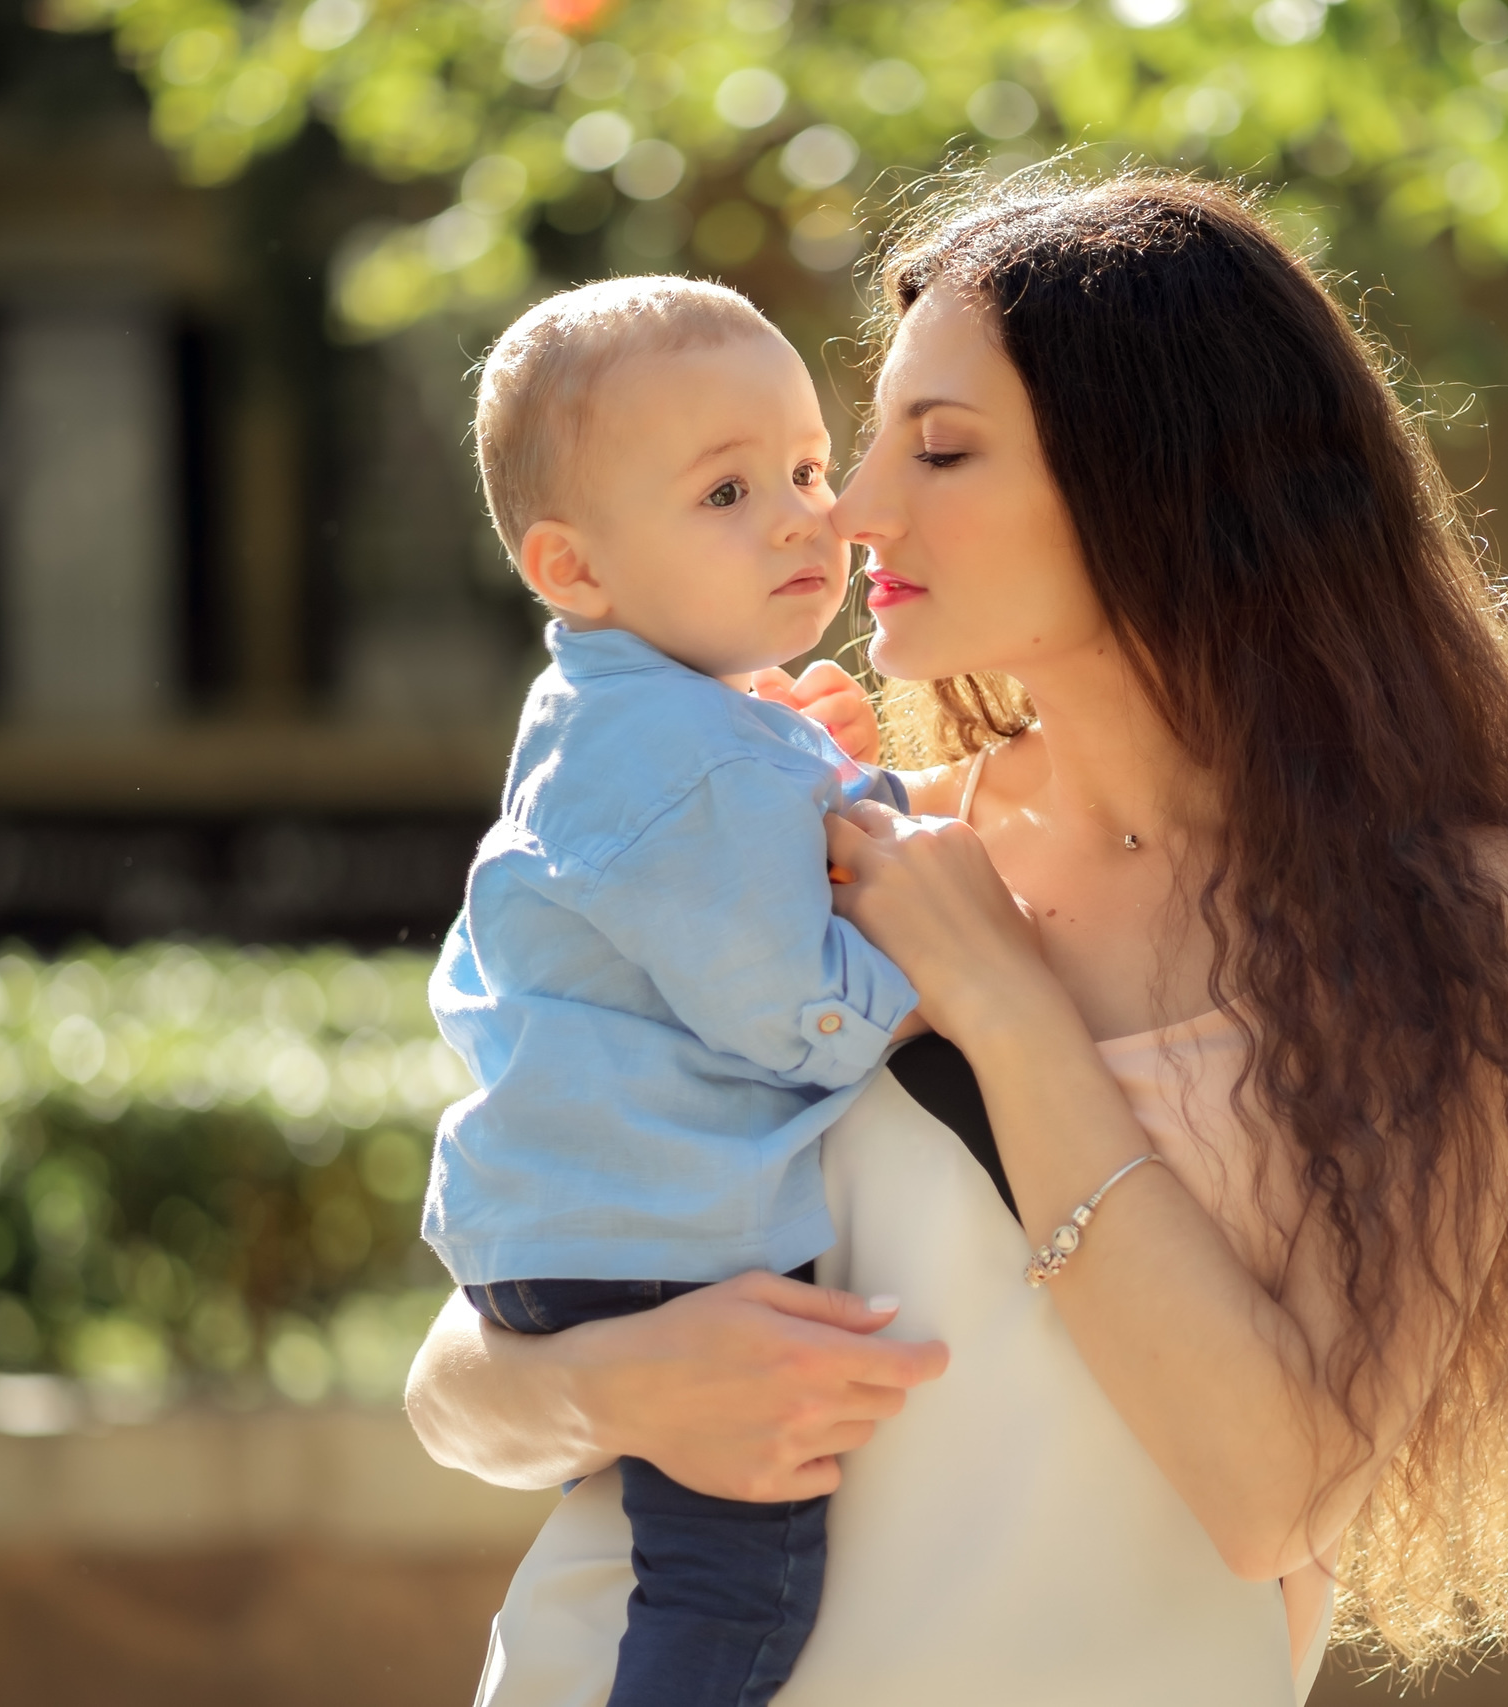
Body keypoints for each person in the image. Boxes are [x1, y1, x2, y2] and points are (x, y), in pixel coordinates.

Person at [408, 173, 1508, 1706]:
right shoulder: (826, 849)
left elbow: (1273, 1495)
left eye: (936, 448)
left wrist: (1002, 1003)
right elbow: (464, 1385)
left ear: (1160, 481)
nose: (855, 509)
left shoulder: (1468, 923)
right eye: (868, 441)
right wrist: (620, 1383)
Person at [425, 274, 925, 1707]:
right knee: (735, 1582)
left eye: (809, 469)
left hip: (572, 1221)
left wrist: (831, 773)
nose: (802, 516)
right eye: (725, 493)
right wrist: (943, 958)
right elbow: (794, 1013)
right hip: (655, 1234)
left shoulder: (645, 715)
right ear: (571, 569)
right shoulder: (694, 759)